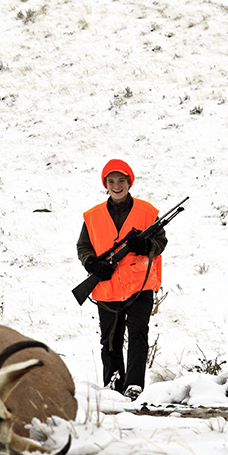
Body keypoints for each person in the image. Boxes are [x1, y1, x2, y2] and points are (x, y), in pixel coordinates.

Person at [77, 159, 167, 401]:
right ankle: (113, 385)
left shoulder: (148, 212)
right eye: (111, 181)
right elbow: (83, 247)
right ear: (105, 185)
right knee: (110, 340)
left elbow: (161, 242)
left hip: (140, 284)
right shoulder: (93, 216)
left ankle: (134, 385)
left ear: (130, 182)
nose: (117, 185)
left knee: (138, 335)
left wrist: (146, 245)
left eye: (122, 180)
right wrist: (92, 264)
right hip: (107, 288)